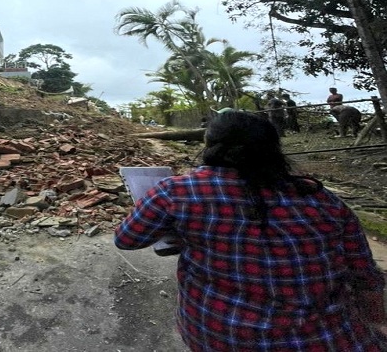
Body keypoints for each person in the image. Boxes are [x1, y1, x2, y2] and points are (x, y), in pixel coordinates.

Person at [114, 111, 387, 351]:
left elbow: (127, 239)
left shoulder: (176, 191)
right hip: (331, 338)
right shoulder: (321, 197)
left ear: (209, 145)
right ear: (273, 150)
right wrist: (378, 323)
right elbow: (364, 273)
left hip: (223, 336)